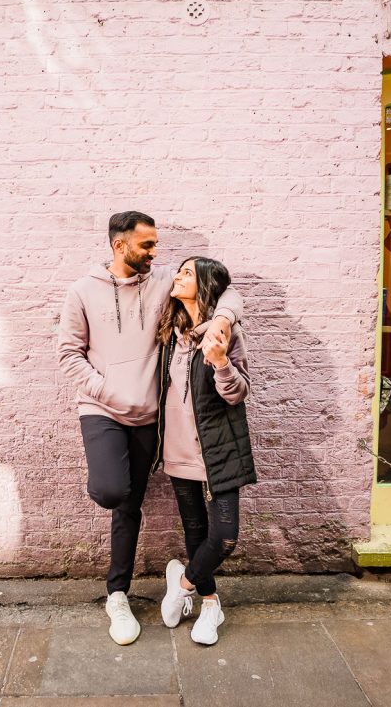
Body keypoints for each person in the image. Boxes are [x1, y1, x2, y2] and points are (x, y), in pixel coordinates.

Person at [57, 212, 243, 646]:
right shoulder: (83, 291)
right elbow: (69, 354)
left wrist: (223, 320)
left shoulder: (163, 281)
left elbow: (227, 288)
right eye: (147, 245)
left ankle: (116, 594)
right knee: (112, 491)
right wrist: (109, 391)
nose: (155, 253)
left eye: (156, 245)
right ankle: (134, 590)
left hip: (150, 419)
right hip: (102, 409)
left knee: (131, 504)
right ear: (120, 246)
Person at [156, 257, 255, 646]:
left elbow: (239, 393)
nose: (177, 276)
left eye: (186, 272)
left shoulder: (225, 335)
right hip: (177, 452)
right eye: (177, 271)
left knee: (225, 538)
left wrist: (220, 364)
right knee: (196, 534)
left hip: (217, 453)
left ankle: (181, 584)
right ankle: (211, 605)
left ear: (204, 284)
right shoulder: (169, 333)